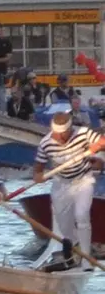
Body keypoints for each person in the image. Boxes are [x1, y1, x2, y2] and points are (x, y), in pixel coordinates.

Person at [34, 112, 105, 270]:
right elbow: (38, 168)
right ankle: (76, 246)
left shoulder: (82, 133)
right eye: (56, 134)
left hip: (83, 181)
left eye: (62, 134)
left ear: (69, 129)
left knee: (82, 215)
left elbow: (103, 141)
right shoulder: (46, 143)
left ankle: (86, 260)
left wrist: (97, 145)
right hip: (61, 185)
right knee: (64, 225)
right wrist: (39, 176)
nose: (58, 137)